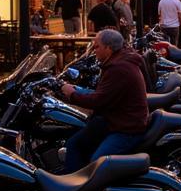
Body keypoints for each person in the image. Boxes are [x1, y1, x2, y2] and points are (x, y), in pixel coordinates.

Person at [60, 29, 150, 170]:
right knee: (77, 143)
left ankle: (80, 189)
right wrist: (76, 90)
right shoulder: (120, 61)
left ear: (108, 48)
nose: (94, 51)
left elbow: (98, 101)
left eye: (97, 47)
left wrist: (72, 95)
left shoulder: (118, 68)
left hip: (126, 129)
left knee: (98, 164)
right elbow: (104, 93)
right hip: (117, 121)